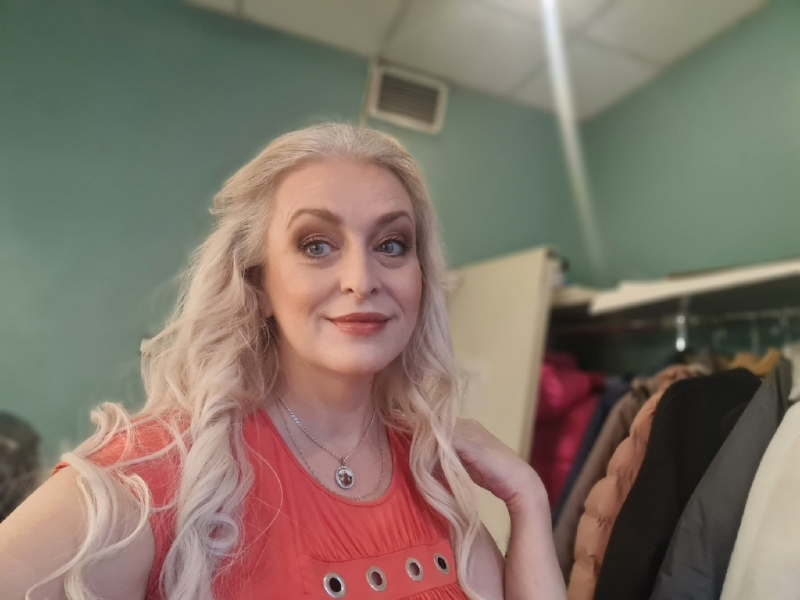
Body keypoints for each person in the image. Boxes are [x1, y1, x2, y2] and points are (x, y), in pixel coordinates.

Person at [0, 124, 565, 600]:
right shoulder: (164, 474)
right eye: (316, 245)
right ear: (259, 285)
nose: (361, 279)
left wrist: (528, 500)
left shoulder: (432, 474)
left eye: (391, 245)